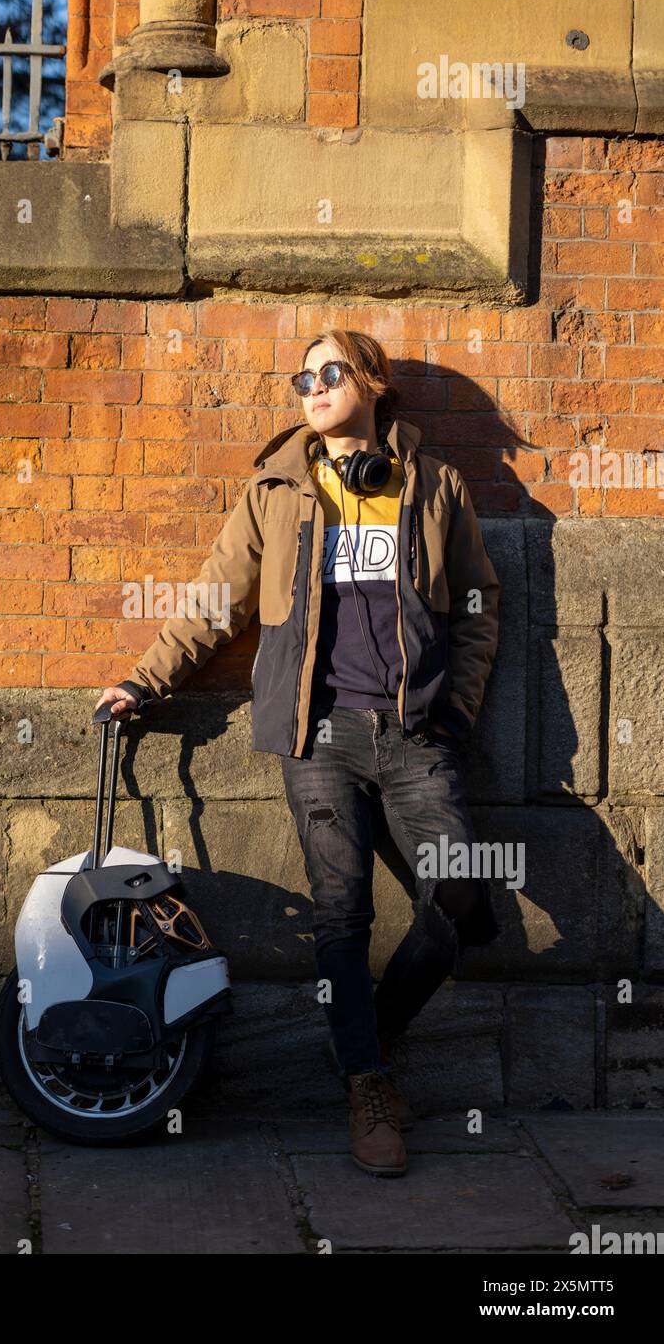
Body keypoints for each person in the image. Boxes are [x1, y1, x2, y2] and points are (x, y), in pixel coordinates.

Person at [95, 328, 501, 1177]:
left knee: (462, 896)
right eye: (300, 377)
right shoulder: (276, 488)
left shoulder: (433, 484)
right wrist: (146, 679)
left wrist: (453, 709)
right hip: (314, 737)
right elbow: (217, 597)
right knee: (340, 914)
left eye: (329, 373)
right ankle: (367, 1085)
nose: (310, 388)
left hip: (414, 736)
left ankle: (363, 1037)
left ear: (374, 383)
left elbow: (475, 603)